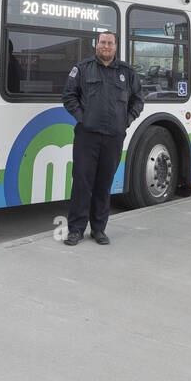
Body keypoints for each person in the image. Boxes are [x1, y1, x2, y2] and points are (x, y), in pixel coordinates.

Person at [61, 29, 143, 246]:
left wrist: (126, 120)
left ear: (115, 47)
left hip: (113, 137)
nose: (106, 46)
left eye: (110, 43)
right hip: (86, 137)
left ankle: (99, 229)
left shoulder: (127, 72)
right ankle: (76, 230)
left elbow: (138, 100)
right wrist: (83, 118)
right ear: (96, 45)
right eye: (103, 42)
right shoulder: (82, 69)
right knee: (81, 182)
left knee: (103, 184)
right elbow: (68, 96)